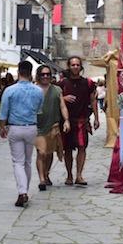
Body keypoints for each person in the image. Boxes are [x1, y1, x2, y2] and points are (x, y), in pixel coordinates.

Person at [0, 60, 44, 207]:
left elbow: (3, 111)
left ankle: (22, 191)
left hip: (15, 127)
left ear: (18, 72)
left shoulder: (10, 90)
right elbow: (39, 110)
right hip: (31, 127)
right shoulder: (38, 91)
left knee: (17, 162)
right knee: (27, 161)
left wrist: (2, 127)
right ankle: (25, 190)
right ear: (31, 73)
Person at [60, 56, 99, 186]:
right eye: (73, 65)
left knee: (82, 147)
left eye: (77, 65)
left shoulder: (88, 83)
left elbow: (93, 100)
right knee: (68, 149)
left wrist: (97, 118)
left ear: (81, 66)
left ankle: (79, 175)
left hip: (82, 120)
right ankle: (69, 175)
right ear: (69, 66)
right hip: (67, 121)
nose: (75, 67)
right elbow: (57, 99)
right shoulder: (62, 84)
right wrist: (64, 98)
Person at [34, 65, 70, 191]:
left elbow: (62, 106)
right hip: (37, 126)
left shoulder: (57, 90)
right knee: (41, 152)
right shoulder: (33, 89)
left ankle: (47, 173)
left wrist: (66, 120)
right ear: (38, 75)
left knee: (49, 153)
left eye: (48, 74)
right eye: (43, 74)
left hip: (53, 126)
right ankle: (42, 179)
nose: (45, 76)